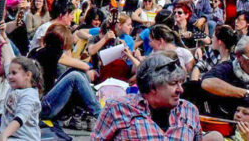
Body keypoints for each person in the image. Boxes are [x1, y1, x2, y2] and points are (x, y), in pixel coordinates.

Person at [91, 52, 220, 141]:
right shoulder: (117, 109)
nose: (180, 90)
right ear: (152, 87)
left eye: (180, 83)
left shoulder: (189, 111)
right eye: (173, 83)